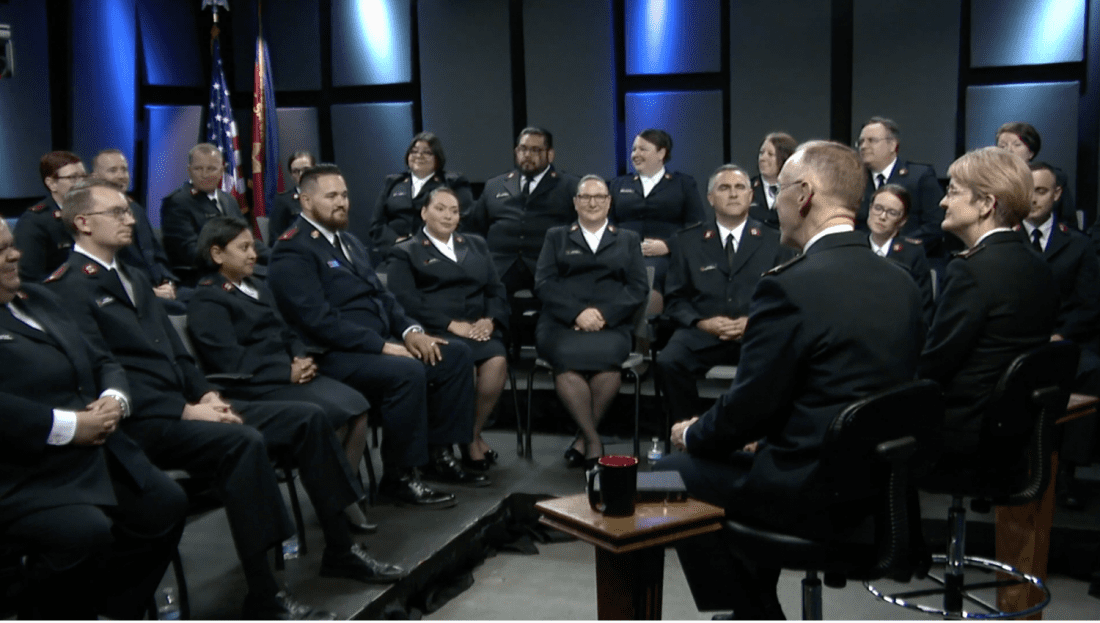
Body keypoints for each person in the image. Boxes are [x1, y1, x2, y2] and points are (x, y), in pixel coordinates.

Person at [46, 178, 403, 620]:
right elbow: (98, 374)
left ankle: (342, 547)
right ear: (82, 223)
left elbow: (176, 354)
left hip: (188, 405)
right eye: (116, 213)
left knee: (307, 418)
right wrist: (185, 408)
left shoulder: (134, 275)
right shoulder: (67, 288)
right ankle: (265, 592)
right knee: (243, 443)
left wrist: (208, 394)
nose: (129, 219)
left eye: (127, 211)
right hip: (141, 420)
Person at [658, 141, 926, 619]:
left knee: (666, 471)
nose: (771, 203)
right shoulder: (901, 281)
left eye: (778, 191)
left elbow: (747, 408)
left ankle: (751, 611)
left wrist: (692, 432)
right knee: (739, 455)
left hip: (809, 489)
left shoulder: (790, 284)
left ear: (803, 194)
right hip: (878, 487)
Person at [0, 218, 187, 620]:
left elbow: (102, 358)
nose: (15, 254)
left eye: (12, 244)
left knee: (165, 504)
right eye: (1, 250)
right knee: (84, 533)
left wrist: (114, 399)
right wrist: (68, 427)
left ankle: (113, 609)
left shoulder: (39, 298)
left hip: (98, 447)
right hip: (25, 465)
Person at [269, 164, 487, 508]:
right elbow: (317, 321)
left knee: (454, 355)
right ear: (306, 201)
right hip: (332, 354)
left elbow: (384, 298)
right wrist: (385, 347)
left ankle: (438, 456)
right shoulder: (292, 250)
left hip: (377, 343)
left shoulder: (350, 242)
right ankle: (400, 476)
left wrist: (411, 331)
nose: (342, 202)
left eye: (344, 195)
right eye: (331, 196)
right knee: (406, 372)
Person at [187, 215, 377, 532]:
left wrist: (300, 358)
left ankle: (341, 496)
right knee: (332, 415)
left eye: (252, 246)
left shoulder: (256, 286)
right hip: (254, 386)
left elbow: (285, 331)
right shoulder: (208, 298)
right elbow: (229, 360)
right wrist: (284, 371)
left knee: (357, 406)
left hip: (288, 374)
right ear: (217, 253)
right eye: (243, 247)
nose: (253, 253)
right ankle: (340, 505)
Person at [920, 147, 1058, 455]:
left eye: (952, 192)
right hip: (1018, 429)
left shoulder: (970, 269)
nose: (943, 201)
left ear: (986, 204)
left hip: (966, 430)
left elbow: (935, 362)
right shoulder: (1039, 263)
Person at [656, 164, 794, 420]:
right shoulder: (686, 241)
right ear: (710, 198)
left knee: (784, 361)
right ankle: (690, 431)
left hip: (756, 332)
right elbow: (675, 299)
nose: (733, 194)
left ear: (750, 196)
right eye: (724, 188)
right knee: (668, 362)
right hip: (703, 332)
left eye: (740, 187)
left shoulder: (776, 241)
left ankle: (758, 436)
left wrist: (752, 321)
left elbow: (786, 297)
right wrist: (702, 322)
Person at [388, 188, 510, 471]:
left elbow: (495, 290)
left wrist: (489, 319)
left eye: (454, 211)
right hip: (435, 331)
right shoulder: (406, 251)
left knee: (496, 360)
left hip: (477, 329)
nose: (448, 216)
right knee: (460, 360)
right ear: (424, 213)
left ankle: (471, 435)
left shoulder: (476, 244)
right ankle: (458, 442)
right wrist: (451, 325)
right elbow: (405, 300)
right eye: (441, 209)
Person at [534, 174, 649, 468]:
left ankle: (583, 440)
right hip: (561, 325)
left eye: (599, 197)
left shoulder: (627, 239)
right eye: (585, 197)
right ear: (575, 203)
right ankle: (593, 439)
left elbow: (637, 287)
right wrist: (576, 314)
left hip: (610, 325)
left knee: (608, 363)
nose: (593, 202)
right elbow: (544, 283)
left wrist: (603, 316)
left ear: (609, 202)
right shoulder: (556, 236)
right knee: (565, 360)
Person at [1021, 161, 1100, 509]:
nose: (1033, 199)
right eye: (1028, 191)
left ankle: (1065, 471)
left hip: (1065, 339)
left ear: (1056, 194)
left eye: (1040, 191)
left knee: (1091, 368)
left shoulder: (1078, 245)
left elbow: (1089, 304)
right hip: (1017, 340)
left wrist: (1060, 334)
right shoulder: (1005, 239)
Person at [463, 127, 578, 298]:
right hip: (500, 268)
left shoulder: (569, 186)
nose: (527, 154)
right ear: (516, 152)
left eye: (535, 150)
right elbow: (474, 228)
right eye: (523, 149)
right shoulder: (495, 185)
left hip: (547, 267)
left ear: (550, 154)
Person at [609, 129, 706, 307]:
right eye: (634, 150)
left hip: (667, 257)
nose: (635, 155)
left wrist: (668, 245)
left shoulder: (682, 184)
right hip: (623, 254)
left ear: (661, 153)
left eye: (643, 149)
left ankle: (647, 328)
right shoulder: (618, 185)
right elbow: (608, 223)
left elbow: (696, 224)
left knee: (651, 274)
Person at [92, 148, 186, 311]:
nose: (121, 176)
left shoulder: (136, 209)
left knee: (211, 296)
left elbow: (157, 254)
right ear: (95, 177)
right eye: (113, 170)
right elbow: (109, 269)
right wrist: (149, 291)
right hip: (131, 294)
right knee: (183, 309)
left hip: (161, 287)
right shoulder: (96, 216)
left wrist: (168, 283)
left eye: (124, 170)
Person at [161, 143, 270, 274]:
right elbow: (189, 253)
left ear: (221, 171)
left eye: (211, 169)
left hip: (234, 268)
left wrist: (276, 257)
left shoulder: (228, 200)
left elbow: (247, 240)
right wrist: (234, 260)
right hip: (202, 275)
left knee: (279, 272)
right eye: (198, 169)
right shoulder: (178, 202)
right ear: (189, 170)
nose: (204, 175)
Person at [365, 132, 473, 264]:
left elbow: (463, 221)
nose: (419, 156)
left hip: (436, 257)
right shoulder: (393, 182)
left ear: (437, 158)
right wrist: (396, 242)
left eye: (427, 152)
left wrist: (426, 245)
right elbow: (377, 224)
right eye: (414, 151)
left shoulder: (452, 183)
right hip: (395, 255)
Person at [855, 117, 944, 251]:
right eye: (861, 142)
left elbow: (935, 224)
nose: (863, 146)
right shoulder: (856, 181)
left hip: (908, 257)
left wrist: (892, 249)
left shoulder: (919, 176)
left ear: (892, 145)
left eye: (871, 140)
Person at [867, 184, 936, 328]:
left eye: (892, 212)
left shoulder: (913, 253)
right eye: (878, 208)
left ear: (903, 220)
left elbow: (923, 309)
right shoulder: (855, 245)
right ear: (870, 209)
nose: (882, 216)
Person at [13, 150, 85, 281]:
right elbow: (31, 279)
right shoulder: (34, 222)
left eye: (83, 177)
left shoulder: (94, 213)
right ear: (51, 183)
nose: (81, 183)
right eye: (73, 178)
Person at [997, 121, 1079, 229]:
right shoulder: (989, 180)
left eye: (1017, 145)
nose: (1009, 150)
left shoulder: (1052, 177)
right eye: (1003, 146)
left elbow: (1068, 221)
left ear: (1031, 152)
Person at [749, 132, 797, 229]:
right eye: (761, 153)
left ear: (785, 158)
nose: (762, 158)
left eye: (770, 154)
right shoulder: (747, 189)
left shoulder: (797, 190)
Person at [268, 150, 315, 239]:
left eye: (306, 169)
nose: (301, 174)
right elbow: (276, 238)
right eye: (296, 171)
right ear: (291, 175)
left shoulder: (325, 196)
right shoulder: (283, 201)